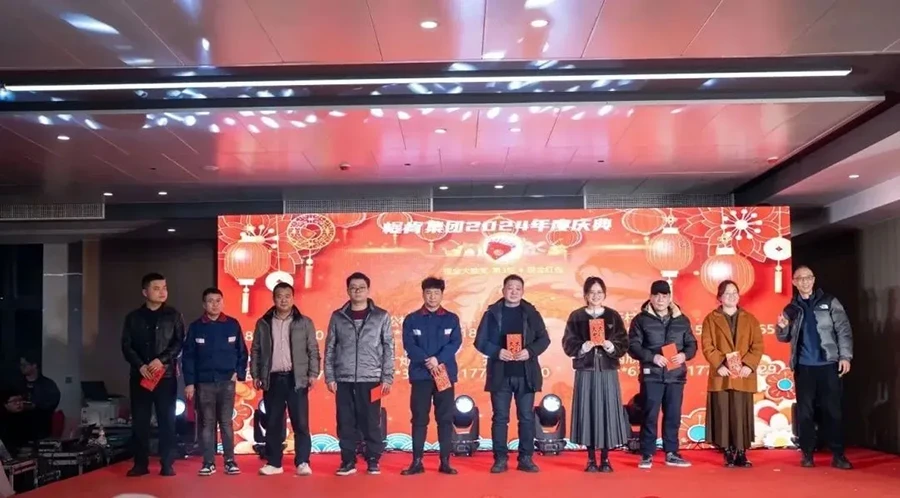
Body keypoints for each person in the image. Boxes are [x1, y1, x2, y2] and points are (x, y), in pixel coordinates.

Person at [776, 265, 853, 470]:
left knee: (833, 411)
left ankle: (838, 454)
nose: (805, 281)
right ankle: (807, 454)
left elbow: (843, 329)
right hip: (804, 367)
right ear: (794, 282)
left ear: (814, 279)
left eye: (808, 277)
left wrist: (845, 356)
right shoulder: (791, 308)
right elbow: (784, 337)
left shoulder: (830, 301)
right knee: (805, 413)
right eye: (800, 278)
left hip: (829, 364)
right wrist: (782, 328)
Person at [474, 274, 550, 474]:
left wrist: (530, 351)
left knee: (526, 417)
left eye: (518, 288)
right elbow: (480, 341)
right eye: (510, 288)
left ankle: (526, 458)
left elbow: (544, 339)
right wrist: (497, 352)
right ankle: (500, 459)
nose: (514, 292)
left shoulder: (531, 313)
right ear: (503, 290)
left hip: (526, 373)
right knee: (500, 418)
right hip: (500, 374)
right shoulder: (492, 313)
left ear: (522, 291)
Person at [324, 272, 394, 476]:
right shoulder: (338, 316)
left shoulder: (381, 316)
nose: (357, 291)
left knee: (371, 420)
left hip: (372, 378)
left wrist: (387, 377)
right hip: (343, 378)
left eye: (361, 287)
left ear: (368, 290)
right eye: (353, 287)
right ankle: (348, 461)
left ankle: (373, 459)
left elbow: (389, 347)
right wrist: (330, 376)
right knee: (345, 421)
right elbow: (330, 348)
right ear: (347, 291)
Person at [561, 277, 630, 473]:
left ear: (605, 294)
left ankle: (606, 458)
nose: (595, 296)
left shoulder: (612, 316)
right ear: (585, 295)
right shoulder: (576, 316)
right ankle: (590, 458)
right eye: (592, 292)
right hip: (586, 370)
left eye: (599, 292)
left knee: (608, 412)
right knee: (588, 412)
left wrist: (610, 346)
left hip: (607, 370)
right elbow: (567, 343)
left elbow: (624, 343)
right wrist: (583, 347)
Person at [251, 282, 320, 476]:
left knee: (301, 423)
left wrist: (313, 374)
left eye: (287, 296)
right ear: (274, 299)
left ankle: (303, 462)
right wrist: (256, 374)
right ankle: (274, 463)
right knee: (273, 423)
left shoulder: (304, 322)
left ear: (293, 298)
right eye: (279, 296)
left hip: (296, 379)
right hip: (272, 379)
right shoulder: (263, 323)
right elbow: (256, 350)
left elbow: (313, 349)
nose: (283, 300)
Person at [628, 280, 696, 469]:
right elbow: (633, 346)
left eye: (664, 296)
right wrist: (653, 357)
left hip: (676, 376)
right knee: (649, 415)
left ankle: (672, 453)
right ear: (650, 297)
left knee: (673, 415)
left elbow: (692, 345)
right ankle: (646, 454)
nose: (660, 299)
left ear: (669, 298)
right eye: (656, 295)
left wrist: (684, 355)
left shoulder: (682, 320)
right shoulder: (640, 320)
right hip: (652, 375)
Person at [121, 273, 185, 477]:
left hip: (165, 376)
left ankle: (167, 463)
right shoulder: (133, 317)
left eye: (164, 288)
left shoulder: (174, 315)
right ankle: (140, 464)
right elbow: (126, 346)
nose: (162, 292)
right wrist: (140, 365)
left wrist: (162, 360)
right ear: (145, 292)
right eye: (156, 288)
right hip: (140, 376)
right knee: (140, 421)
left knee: (167, 420)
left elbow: (179, 342)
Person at [400, 277, 462, 476]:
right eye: (428, 293)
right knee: (419, 418)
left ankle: (445, 462)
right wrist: (427, 360)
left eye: (436, 293)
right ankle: (417, 462)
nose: (432, 297)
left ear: (442, 295)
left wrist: (438, 359)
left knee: (445, 418)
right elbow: (409, 345)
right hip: (421, 375)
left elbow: (455, 343)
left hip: (444, 374)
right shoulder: (412, 319)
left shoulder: (451, 319)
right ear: (423, 294)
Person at [183, 287, 248, 477]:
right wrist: (189, 382)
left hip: (227, 382)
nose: (214, 304)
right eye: (210, 301)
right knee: (207, 424)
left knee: (226, 423)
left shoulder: (232, 324)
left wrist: (238, 373)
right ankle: (208, 462)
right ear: (204, 305)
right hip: (204, 383)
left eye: (218, 300)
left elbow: (242, 352)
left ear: (223, 302)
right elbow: (188, 357)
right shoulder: (196, 327)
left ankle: (230, 461)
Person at [700, 280, 764, 468]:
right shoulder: (711, 319)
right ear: (719, 297)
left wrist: (749, 365)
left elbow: (758, 345)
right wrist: (719, 363)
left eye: (734, 292)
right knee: (722, 412)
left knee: (741, 412)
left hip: (743, 374)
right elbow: (707, 345)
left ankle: (741, 452)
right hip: (722, 373)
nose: (731, 296)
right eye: (727, 293)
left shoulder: (750, 319)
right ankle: (727, 451)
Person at [0, 354, 60, 451]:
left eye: (24, 365)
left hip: (40, 431)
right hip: (17, 433)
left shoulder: (48, 385)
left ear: (34, 365)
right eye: (20, 365)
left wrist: (35, 406)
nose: (21, 367)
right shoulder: (15, 384)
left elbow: (52, 403)